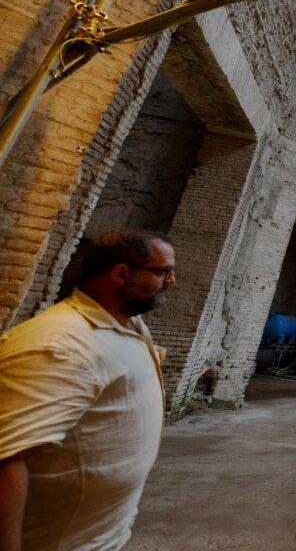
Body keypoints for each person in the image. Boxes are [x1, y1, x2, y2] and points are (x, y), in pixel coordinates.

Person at [0, 230, 175, 551]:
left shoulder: (128, 324)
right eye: (163, 271)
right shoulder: (58, 344)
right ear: (121, 273)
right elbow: (6, 457)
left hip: (102, 535)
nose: (171, 281)